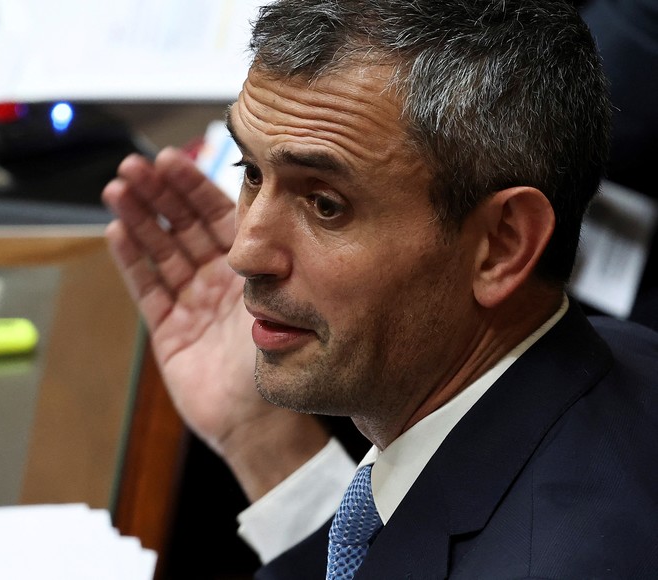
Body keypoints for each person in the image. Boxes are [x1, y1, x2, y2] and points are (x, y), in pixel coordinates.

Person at [102, 0, 658, 578]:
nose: (244, 253)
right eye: (251, 171)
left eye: (325, 204)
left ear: (503, 244)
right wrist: (258, 436)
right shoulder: (621, 353)